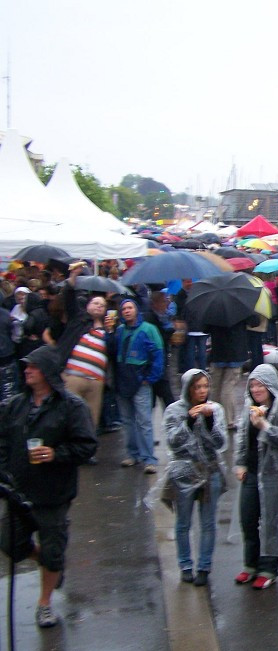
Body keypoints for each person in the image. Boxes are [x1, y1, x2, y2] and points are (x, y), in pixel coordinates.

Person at [0, 345, 97, 628]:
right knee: (8, 542)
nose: (26, 370)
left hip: (54, 493)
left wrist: (56, 454)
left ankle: (44, 604)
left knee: (54, 547)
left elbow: (87, 446)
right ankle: (45, 560)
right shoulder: (16, 405)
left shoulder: (71, 407)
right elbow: (3, 441)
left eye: (33, 366)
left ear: (47, 373)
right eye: (26, 366)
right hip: (19, 491)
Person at [233, 364, 278, 589]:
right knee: (248, 519)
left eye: (260, 384)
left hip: (276, 475)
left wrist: (265, 426)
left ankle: (268, 568)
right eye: (252, 385)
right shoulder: (250, 408)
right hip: (253, 472)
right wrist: (240, 463)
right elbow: (242, 438)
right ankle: (250, 564)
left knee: (270, 522)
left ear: (271, 385)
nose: (256, 389)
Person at [161, 369, 227, 586]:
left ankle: (204, 566)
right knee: (183, 521)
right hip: (184, 470)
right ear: (188, 388)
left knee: (208, 522)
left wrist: (208, 422)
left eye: (205, 387)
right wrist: (188, 422)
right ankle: (185, 565)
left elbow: (220, 443)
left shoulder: (214, 409)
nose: (202, 391)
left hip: (209, 468)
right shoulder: (174, 410)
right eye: (197, 387)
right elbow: (173, 442)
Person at [106, 298, 164, 473]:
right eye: (124, 308)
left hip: (140, 382)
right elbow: (110, 353)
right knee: (127, 421)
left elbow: (158, 354)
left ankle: (149, 458)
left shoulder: (149, 329)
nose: (126, 311)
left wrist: (150, 378)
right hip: (122, 380)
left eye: (130, 307)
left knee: (144, 420)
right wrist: (109, 332)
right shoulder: (120, 330)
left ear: (136, 310)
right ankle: (133, 453)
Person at [57, 266, 110, 430]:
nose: (98, 306)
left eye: (102, 305)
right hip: (73, 377)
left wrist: (112, 331)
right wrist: (73, 277)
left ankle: (86, 453)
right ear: (87, 306)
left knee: (90, 420)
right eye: (95, 303)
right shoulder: (78, 319)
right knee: (68, 417)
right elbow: (68, 298)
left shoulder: (108, 329)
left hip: (96, 382)